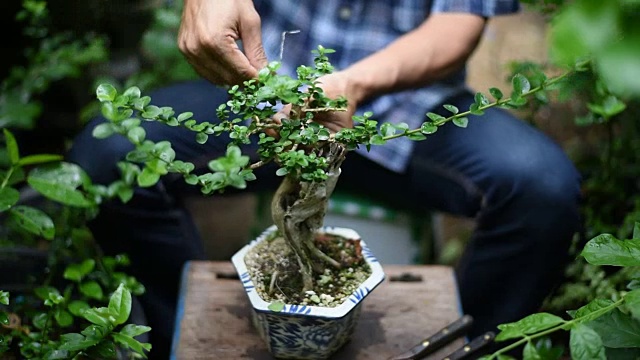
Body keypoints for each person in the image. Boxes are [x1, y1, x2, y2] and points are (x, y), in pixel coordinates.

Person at [67, 0, 582, 358]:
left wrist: (351, 84)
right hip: (266, 99)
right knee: (111, 153)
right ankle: (184, 329)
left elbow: (458, 23)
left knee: (542, 190)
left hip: (407, 108)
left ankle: (461, 348)